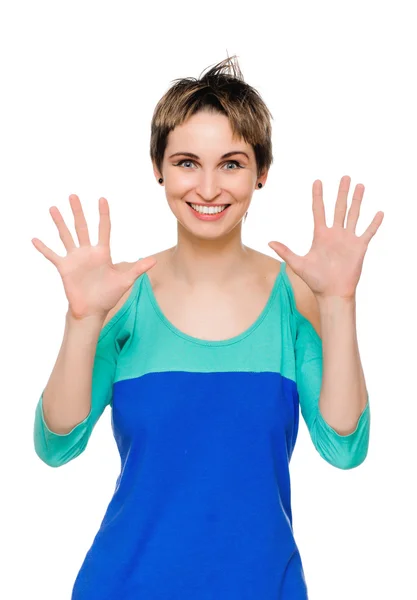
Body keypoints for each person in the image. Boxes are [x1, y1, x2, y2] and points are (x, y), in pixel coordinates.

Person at [32, 55, 382, 599]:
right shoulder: (122, 296)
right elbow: (56, 445)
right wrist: (82, 320)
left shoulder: (294, 298)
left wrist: (337, 300)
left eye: (233, 163)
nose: (210, 187)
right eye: (188, 162)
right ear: (159, 167)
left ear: (261, 172)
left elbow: (344, 448)